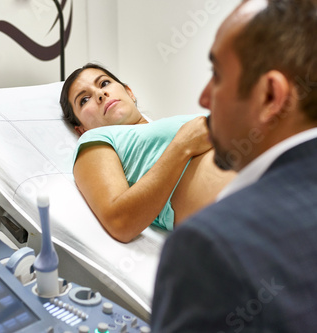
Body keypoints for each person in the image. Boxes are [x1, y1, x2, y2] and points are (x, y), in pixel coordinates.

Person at [151, 0, 317, 331]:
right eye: (82, 99)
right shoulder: (100, 142)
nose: (203, 98)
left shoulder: (210, 248)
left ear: (271, 96)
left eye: (216, 75)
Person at [60, 63, 235, 243]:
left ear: (129, 92)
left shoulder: (169, 123)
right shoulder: (94, 139)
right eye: (84, 99)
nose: (100, 94)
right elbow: (120, 222)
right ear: (80, 129)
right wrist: (183, 146)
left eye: (104, 83)